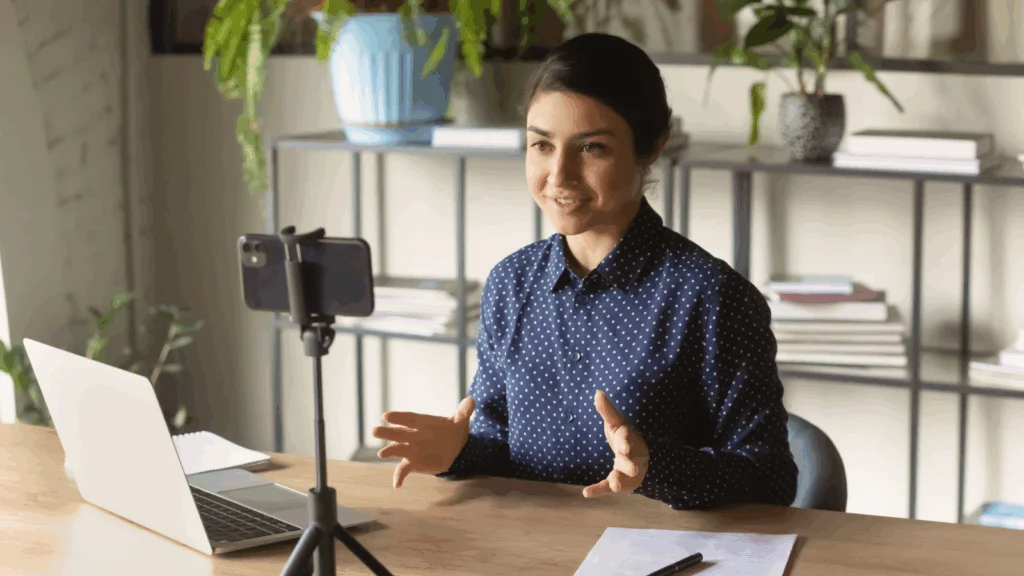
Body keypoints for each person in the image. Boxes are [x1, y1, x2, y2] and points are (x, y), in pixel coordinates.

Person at [370, 32, 798, 510]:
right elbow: (497, 447)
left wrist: (655, 466)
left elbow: (769, 480)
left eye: (592, 148)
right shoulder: (511, 283)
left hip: (664, 553)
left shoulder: (711, 296)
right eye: (541, 145)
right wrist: (456, 452)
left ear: (652, 146)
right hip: (532, 546)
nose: (559, 176)